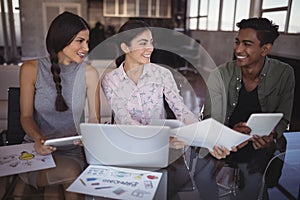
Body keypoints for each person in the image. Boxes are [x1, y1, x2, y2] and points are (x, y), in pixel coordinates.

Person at [101, 20, 230, 158]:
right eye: (143, 43)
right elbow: (125, 120)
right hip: (126, 145)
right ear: (126, 48)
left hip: (159, 149)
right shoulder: (110, 80)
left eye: (151, 42)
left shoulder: (162, 74)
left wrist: (207, 141)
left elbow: (181, 110)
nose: (150, 48)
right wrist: (161, 139)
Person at [19, 11, 100, 200]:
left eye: (87, 42)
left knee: (70, 173)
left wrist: (89, 136)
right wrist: (38, 139)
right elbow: (26, 117)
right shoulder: (30, 69)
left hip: (72, 151)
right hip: (37, 150)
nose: (86, 48)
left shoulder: (89, 73)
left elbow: (94, 119)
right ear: (62, 39)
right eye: (80, 41)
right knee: (69, 176)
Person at [203, 17, 295, 153]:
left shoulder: (284, 73)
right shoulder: (219, 75)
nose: (238, 50)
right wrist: (231, 135)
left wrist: (271, 135)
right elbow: (211, 120)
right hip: (225, 147)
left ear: (265, 49)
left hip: (265, 151)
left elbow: (284, 119)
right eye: (237, 42)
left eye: (247, 44)